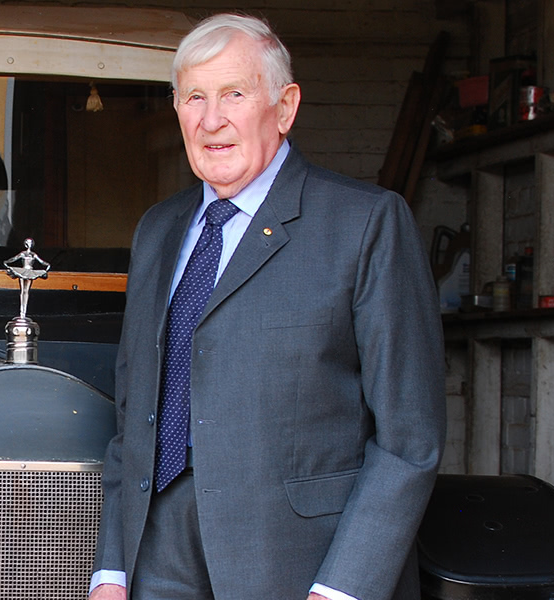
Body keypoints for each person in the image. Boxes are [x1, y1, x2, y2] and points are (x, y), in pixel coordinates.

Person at [90, 13, 444, 600]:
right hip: (157, 552)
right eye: (194, 97)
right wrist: (112, 569)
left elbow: (410, 438)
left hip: (297, 563)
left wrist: (344, 588)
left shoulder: (366, 223)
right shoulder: (158, 230)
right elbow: (134, 415)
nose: (212, 120)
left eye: (234, 93)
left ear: (284, 107)